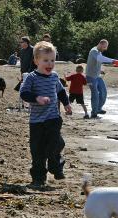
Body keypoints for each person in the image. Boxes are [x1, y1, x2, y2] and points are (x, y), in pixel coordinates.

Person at [20, 41, 72, 188]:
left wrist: (66, 104)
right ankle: (38, 178)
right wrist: (37, 98)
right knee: (37, 151)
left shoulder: (54, 77)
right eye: (45, 60)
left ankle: (56, 166)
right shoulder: (31, 77)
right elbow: (24, 93)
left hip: (53, 118)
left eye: (52, 60)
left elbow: (61, 91)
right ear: (36, 61)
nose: (50, 64)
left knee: (56, 143)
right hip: (36, 121)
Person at [85, 39, 118, 119]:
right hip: (90, 77)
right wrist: (112, 60)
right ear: (100, 44)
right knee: (95, 94)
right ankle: (94, 113)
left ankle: (98, 109)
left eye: (106, 47)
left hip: (97, 76)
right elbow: (100, 59)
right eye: (104, 47)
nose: (105, 49)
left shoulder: (99, 52)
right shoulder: (94, 51)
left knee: (103, 92)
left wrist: (100, 70)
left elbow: (97, 61)